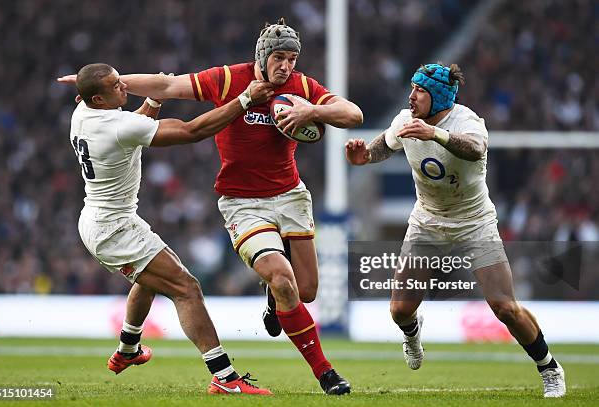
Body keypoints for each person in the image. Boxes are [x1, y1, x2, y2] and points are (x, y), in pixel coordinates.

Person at [60, 18, 363, 395]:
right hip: (241, 202)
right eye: (279, 58)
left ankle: (128, 348)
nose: (285, 66)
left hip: (290, 196)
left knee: (306, 291)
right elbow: (180, 109)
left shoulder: (301, 87)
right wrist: (243, 100)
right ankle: (308, 374)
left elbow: (354, 115)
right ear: (262, 56)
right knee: (197, 286)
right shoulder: (228, 79)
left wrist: (311, 112)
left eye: (292, 58)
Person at [345, 63, 566, 398]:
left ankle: (549, 367)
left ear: (439, 97)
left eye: (420, 90)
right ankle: (413, 333)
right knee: (400, 310)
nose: (412, 95)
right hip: (428, 221)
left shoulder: (466, 121)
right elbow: (385, 145)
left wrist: (435, 134)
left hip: (474, 223)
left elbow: (476, 148)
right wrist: (365, 156)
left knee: (504, 307)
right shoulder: (405, 119)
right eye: (412, 87)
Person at [65, 62, 274, 395]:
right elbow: (192, 132)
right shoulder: (117, 125)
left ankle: (128, 350)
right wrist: (244, 100)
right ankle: (224, 376)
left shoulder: (83, 113)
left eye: (122, 79)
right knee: (186, 287)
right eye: (115, 86)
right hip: (113, 227)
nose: (125, 87)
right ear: (98, 100)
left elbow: (133, 120)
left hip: (102, 219)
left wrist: (155, 98)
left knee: (150, 279)